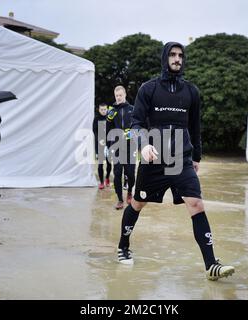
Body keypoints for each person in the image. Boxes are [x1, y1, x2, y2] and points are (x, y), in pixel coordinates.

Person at [116, 42, 235, 281]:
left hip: (181, 158)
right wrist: (144, 144)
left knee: (196, 205)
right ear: (164, 58)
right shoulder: (148, 89)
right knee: (138, 204)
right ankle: (123, 245)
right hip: (154, 160)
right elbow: (136, 124)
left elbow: (195, 127)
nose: (177, 58)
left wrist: (197, 157)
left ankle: (211, 265)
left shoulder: (191, 91)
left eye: (180, 55)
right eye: (172, 54)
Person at [107, 86, 136, 210]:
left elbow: (138, 125)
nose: (118, 97)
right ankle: (119, 199)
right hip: (117, 146)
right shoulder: (112, 111)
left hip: (130, 146)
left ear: (124, 95)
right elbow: (108, 129)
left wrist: (132, 134)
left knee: (130, 174)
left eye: (120, 95)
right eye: (116, 95)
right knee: (117, 174)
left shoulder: (132, 109)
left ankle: (129, 192)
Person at [93, 103, 112, 189]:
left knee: (109, 163)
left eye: (105, 109)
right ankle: (101, 182)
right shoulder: (96, 118)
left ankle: (107, 178)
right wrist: (99, 139)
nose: (103, 111)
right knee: (100, 164)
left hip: (109, 144)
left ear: (107, 109)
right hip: (100, 145)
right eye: (102, 109)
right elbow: (95, 130)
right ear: (99, 110)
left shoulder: (109, 117)